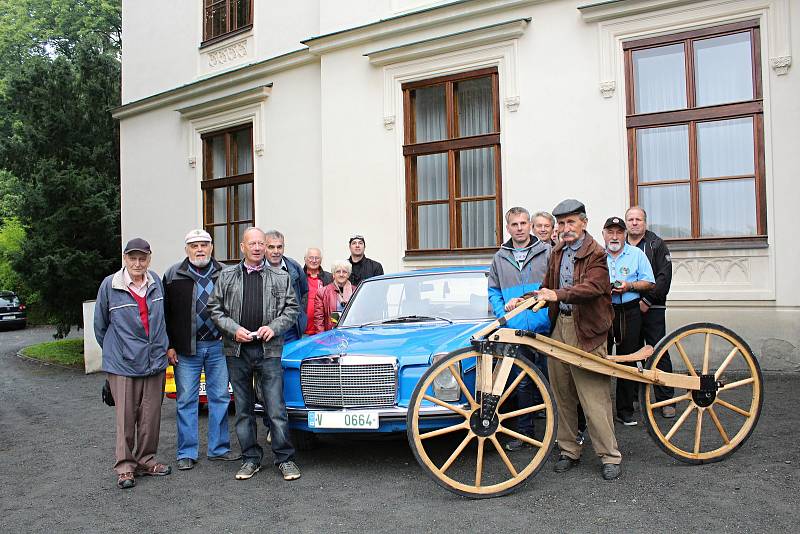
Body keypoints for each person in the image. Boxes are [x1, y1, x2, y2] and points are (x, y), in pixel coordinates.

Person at [531, 199, 622, 481]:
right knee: (563, 393)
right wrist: (527, 299)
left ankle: (609, 456)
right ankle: (569, 450)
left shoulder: (596, 252)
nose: (565, 228)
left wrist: (556, 295)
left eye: (570, 222)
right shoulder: (557, 251)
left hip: (588, 331)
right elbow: (547, 287)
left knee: (594, 396)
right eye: (561, 223)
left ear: (584, 223)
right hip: (561, 325)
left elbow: (594, 287)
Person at [207, 227, 302, 481]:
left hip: (268, 350)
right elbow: (214, 309)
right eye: (253, 244)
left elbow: (292, 310)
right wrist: (233, 329)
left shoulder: (281, 277)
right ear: (243, 247)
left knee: (276, 407)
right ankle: (251, 459)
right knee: (243, 410)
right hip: (237, 350)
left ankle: (285, 459)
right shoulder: (226, 276)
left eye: (262, 243)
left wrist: (274, 327)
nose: (258, 248)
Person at [94, 238, 171, 489]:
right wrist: (115, 352)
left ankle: (146, 461)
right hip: (123, 364)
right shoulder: (110, 285)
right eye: (133, 258)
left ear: (149, 259)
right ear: (125, 258)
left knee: (151, 416)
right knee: (126, 416)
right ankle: (125, 467)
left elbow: (163, 319)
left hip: (154, 360)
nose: (138, 263)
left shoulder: (156, 282)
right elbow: (101, 327)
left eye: (142, 258)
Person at [162, 229, 240, 471]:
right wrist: (169, 344)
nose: (199, 250)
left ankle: (219, 448)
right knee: (186, 400)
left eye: (204, 245)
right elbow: (165, 313)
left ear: (211, 248)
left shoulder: (225, 273)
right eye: (194, 245)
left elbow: (235, 307)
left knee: (220, 398)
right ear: (187, 250)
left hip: (218, 345)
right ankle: (186, 452)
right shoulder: (173, 274)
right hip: (187, 349)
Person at [488, 207, 551, 452]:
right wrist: (502, 312)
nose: (520, 228)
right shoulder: (500, 257)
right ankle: (525, 434)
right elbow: (493, 290)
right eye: (515, 224)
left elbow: (556, 285)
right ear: (508, 228)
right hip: (515, 328)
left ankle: (557, 434)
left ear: (530, 225)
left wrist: (548, 311)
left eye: (524, 223)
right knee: (522, 383)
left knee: (552, 381)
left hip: (544, 325)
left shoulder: (546, 252)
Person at [602, 217, 655, 426]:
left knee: (629, 358)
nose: (614, 236)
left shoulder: (637, 254)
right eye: (610, 232)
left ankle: (625, 411)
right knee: (599, 358)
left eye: (618, 232)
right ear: (603, 233)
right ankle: (601, 411)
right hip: (603, 310)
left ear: (624, 234)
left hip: (629, 310)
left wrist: (629, 286)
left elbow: (649, 282)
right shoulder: (596, 255)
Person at [626, 206, 675, 418]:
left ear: (645, 222)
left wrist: (647, 299)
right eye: (630, 219)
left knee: (657, 352)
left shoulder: (657, 244)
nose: (634, 223)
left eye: (638, 219)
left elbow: (664, 277)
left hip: (652, 308)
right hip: (627, 308)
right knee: (630, 352)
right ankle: (631, 400)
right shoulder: (620, 246)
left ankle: (666, 400)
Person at [264, 230, 308, 343]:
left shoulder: (294, 266)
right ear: (264, 247)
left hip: (291, 331)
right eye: (271, 247)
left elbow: (303, 292)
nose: (276, 251)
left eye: (279, 247)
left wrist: (299, 317)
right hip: (266, 330)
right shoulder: (257, 268)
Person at [315, 260, 355, 332]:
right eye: (338, 272)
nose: (341, 274)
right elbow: (319, 320)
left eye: (344, 272)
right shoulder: (322, 292)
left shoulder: (356, 291)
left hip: (351, 333)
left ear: (348, 275)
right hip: (331, 334)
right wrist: (322, 339)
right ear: (333, 274)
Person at [303, 248, 332, 336]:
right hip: (302, 332)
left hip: (323, 331)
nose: (314, 261)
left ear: (321, 260)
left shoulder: (329, 278)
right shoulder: (298, 276)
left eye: (317, 258)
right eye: (311, 258)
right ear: (305, 259)